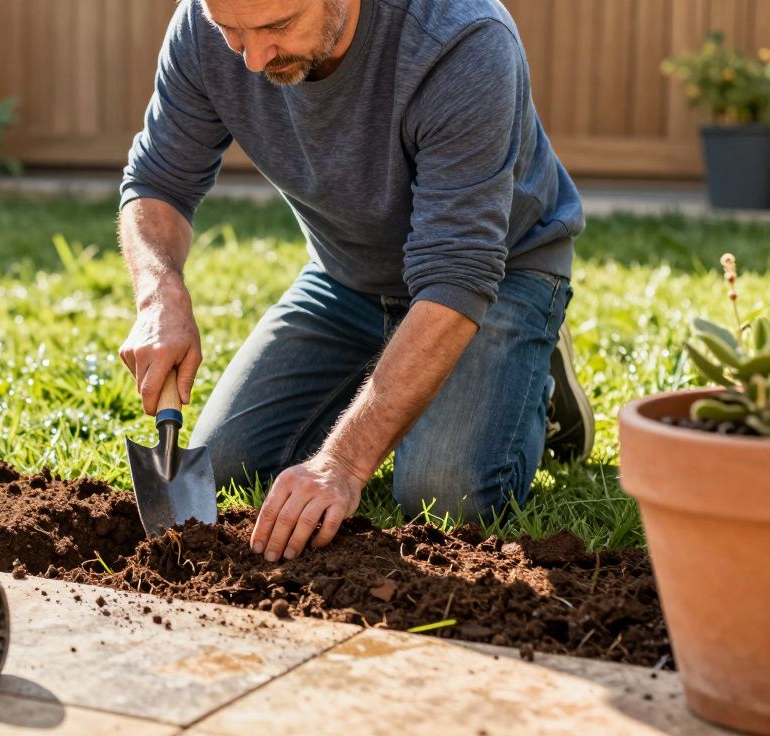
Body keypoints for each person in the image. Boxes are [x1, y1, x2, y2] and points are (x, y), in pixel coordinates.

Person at [116, 0, 593, 563]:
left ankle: (534, 362)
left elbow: (457, 272)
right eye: (231, 32)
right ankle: (420, 361)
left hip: (495, 277)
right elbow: (157, 181)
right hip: (346, 278)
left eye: (277, 27)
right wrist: (159, 292)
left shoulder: (464, 39)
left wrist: (341, 463)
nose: (253, 59)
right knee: (227, 465)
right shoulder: (201, 25)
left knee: (441, 496)